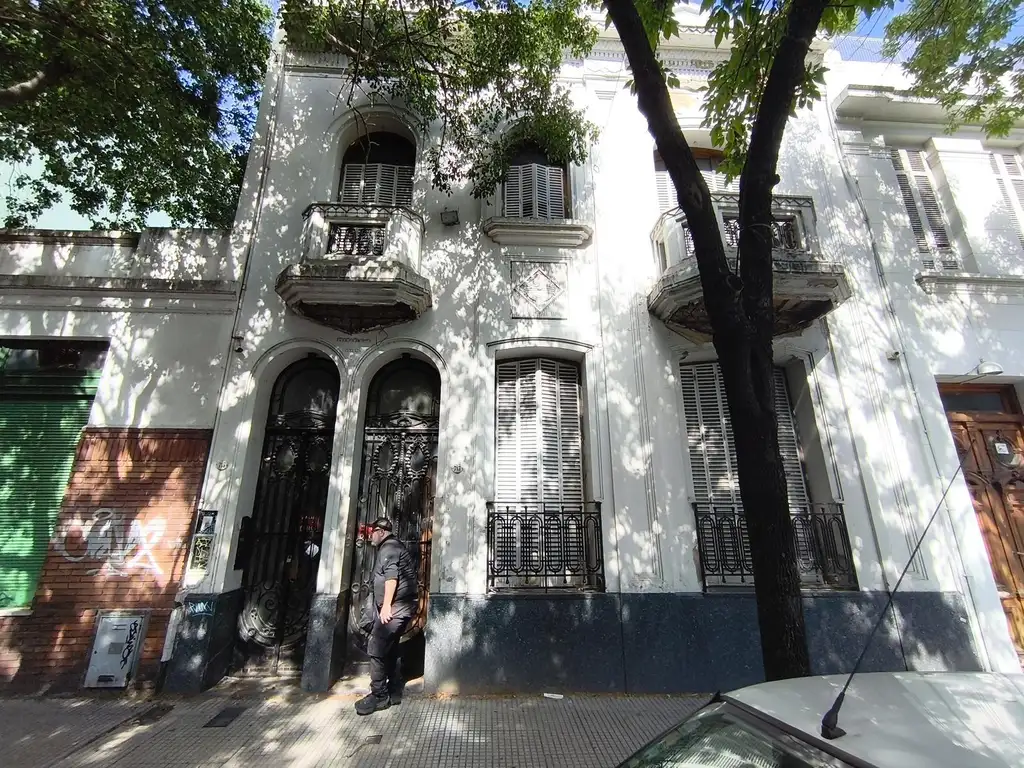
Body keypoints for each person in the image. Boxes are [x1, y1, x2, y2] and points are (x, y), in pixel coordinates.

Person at [354, 516, 418, 716]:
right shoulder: (391, 547)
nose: (370, 536)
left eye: (372, 532)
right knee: (389, 647)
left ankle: (379, 695)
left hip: (397, 606)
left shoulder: (389, 548)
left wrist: (387, 606)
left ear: (381, 532)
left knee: (377, 646)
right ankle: (394, 690)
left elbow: (392, 579)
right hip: (401, 605)